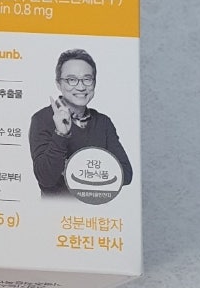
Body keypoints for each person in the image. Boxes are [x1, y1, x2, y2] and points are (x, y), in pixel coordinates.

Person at [28, 49, 132, 195]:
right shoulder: (42, 119)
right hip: (57, 208)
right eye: (71, 80)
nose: (81, 87)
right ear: (58, 84)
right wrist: (61, 134)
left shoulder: (103, 122)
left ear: (94, 83)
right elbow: (46, 179)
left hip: (96, 208)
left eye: (87, 79)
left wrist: (72, 168)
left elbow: (126, 174)